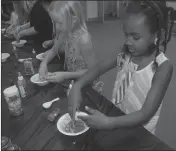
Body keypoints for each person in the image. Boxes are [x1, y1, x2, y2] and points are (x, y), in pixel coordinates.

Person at [68, 1, 174, 139]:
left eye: (135, 37)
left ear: (156, 35)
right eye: (126, 35)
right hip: (117, 116)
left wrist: (109, 122)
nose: (128, 41)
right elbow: (99, 67)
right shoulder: (125, 52)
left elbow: (145, 113)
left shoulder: (163, 67)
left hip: (140, 132)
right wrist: (78, 85)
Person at [39, 1, 104, 93]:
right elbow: (54, 50)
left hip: (88, 86)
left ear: (74, 19)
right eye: (54, 22)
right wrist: (43, 64)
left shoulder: (84, 40)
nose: (57, 27)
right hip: (74, 80)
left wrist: (65, 75)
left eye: (59, 23)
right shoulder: (63, 33)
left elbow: (93, 71)